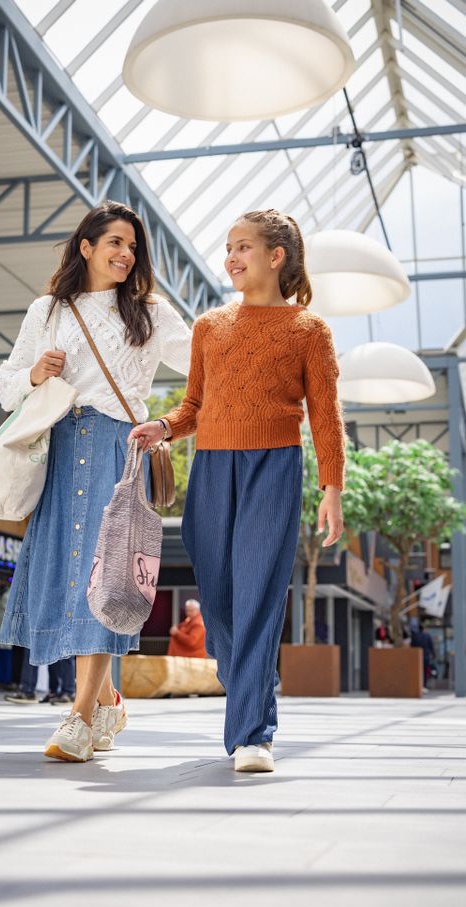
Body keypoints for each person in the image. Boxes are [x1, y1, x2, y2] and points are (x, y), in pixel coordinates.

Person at [130, 209, 345, 774]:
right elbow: (195, 405)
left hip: (274, 466)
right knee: (219, 595)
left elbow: (325, 415)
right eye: (228, 246)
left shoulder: (309, 330)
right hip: (210, 468)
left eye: (243, 246)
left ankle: (253, 734)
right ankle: (249, 676)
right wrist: (165, 427)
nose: (231, 256)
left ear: (276, 257)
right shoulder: (209, 327)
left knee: (259, 592)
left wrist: (332, 487)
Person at [0, 201, 191, 761]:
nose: (126, 255)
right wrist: (35, 374)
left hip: (118, 449)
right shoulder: (48, 311)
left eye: (133, 246)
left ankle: (80, 716)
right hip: (61, 447)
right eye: (115, 243)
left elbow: (203, 358)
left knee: (101, 575)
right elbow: (9, 383)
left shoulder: (149, 311)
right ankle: (108, 705)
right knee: (71, 574)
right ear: (86, 247)